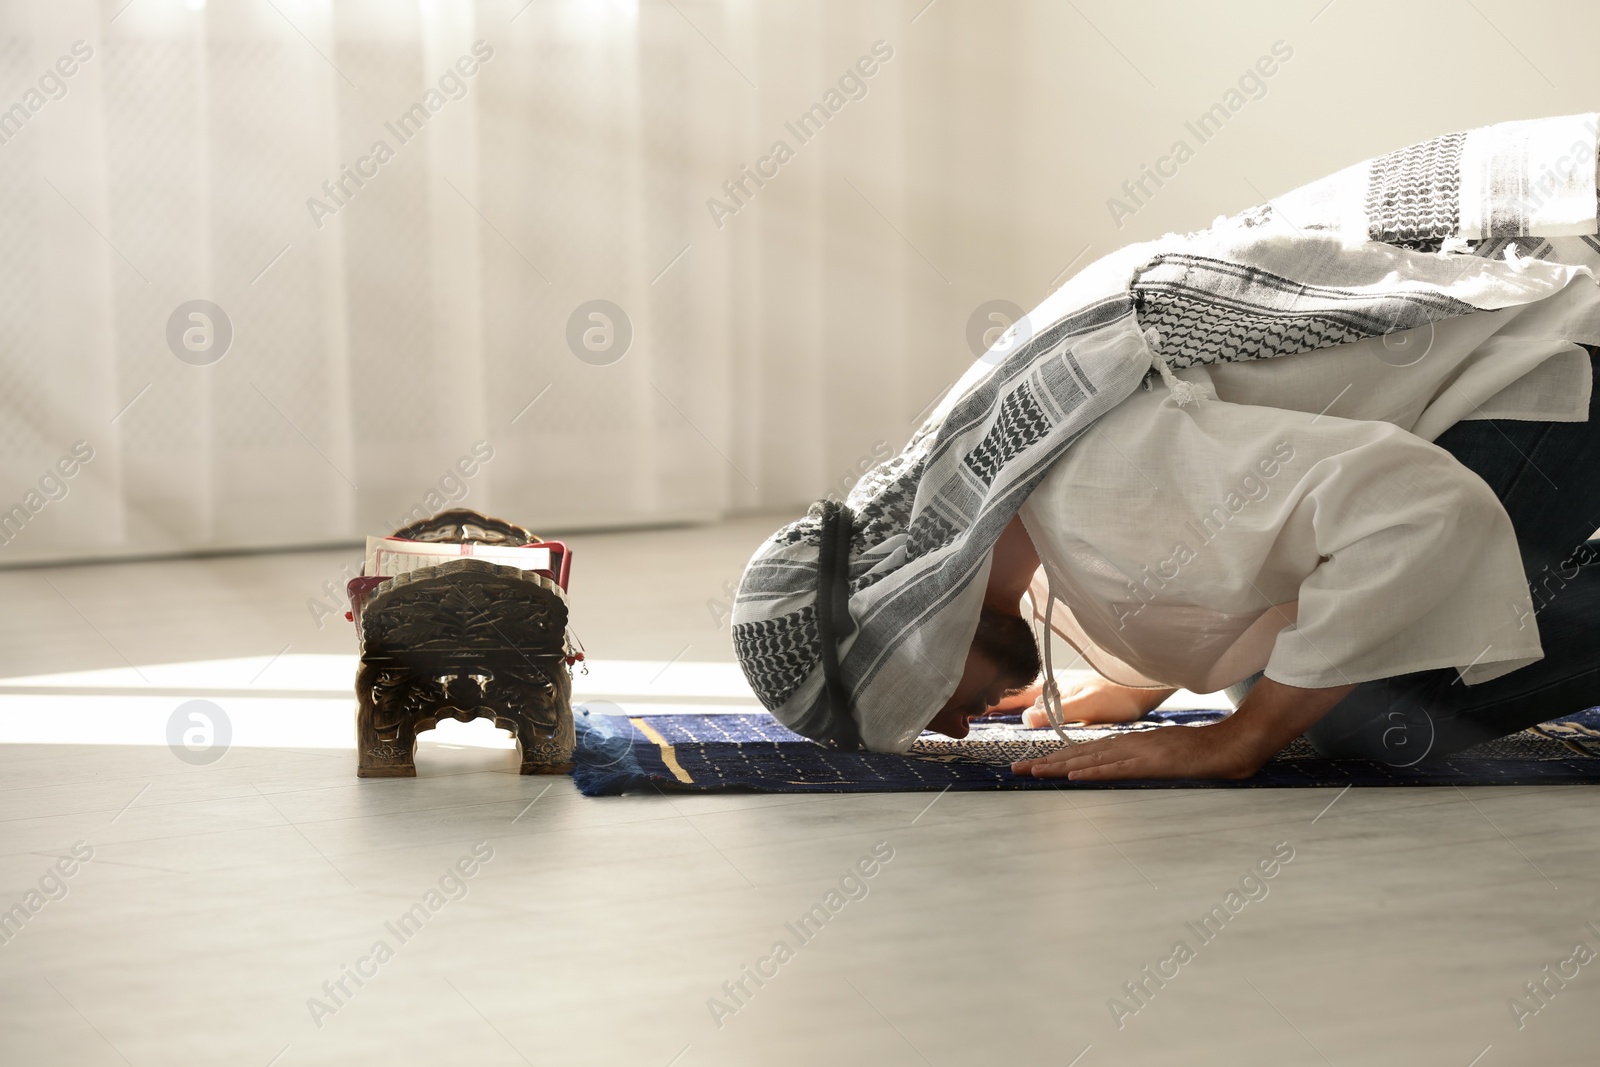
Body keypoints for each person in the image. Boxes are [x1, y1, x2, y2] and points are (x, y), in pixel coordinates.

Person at [730, 112, 1600, 778]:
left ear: (903, 624)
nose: (956, 728)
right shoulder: (1010, 454)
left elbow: (1417, 511)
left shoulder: (1095, 495)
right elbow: (1229, 522)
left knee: (1357, 716)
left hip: (1551, 369)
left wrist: (1242, 740)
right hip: (1520, 344)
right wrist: (1168, 677)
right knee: (1285, 670)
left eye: (917, 703)